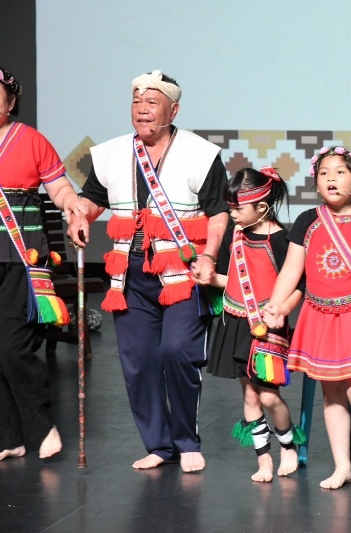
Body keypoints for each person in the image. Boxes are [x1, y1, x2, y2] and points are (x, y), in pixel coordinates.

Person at [77, 70, 229, 473]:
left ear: (173, 111)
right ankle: (159, 446)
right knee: (139, 361)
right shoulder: (111, 154)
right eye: (136, 103)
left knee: (177, 352)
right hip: (128, 274)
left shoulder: (200, 154)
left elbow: (219, 213)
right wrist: (79, 216)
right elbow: (91, 201)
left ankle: (186, 441)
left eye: (152, 103)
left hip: (183, 272)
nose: (142, 110)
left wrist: (210, 256)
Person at [264, 146, 351, 491]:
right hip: (319, 314)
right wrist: (275, 305)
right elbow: (292, 270)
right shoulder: (307, 220)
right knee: (332, 395)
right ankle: (342, 466)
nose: (331, 179)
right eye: (324, 173)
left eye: (339, 172)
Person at [0, 66, 87, 462]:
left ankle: (41, 425)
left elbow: (59, 187)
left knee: (13, 348)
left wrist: (72, 206)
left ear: (11, 101)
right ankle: (9, 437)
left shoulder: (30, 140)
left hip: (22, 258)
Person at [207, 166, 305, 483]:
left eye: (237, 208)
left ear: (261, 206)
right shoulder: (234, 235)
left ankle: (288, 445)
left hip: (268, 327)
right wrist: (208, 277)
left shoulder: (282, 240)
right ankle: (263, 459)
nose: (232, 214)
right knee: (250, 396)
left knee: (269, 397)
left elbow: (299, 285)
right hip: (235, 322)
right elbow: (230, 280)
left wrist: (282, 309)